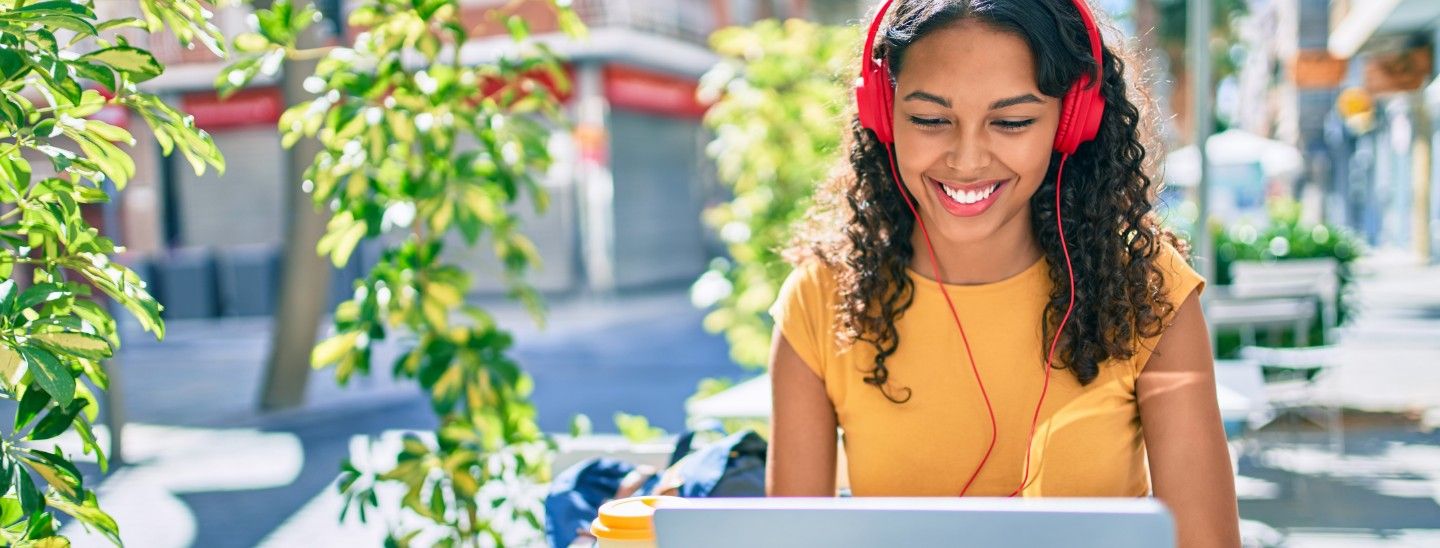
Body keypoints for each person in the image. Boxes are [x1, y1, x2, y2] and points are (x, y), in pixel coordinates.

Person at [765, 1, 1241, 546]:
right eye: (929, 120)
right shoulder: (821, 297)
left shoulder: (1145, 287)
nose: (966, 160)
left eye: (1012, 121)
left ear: (1070, 123)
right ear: (882, 113)